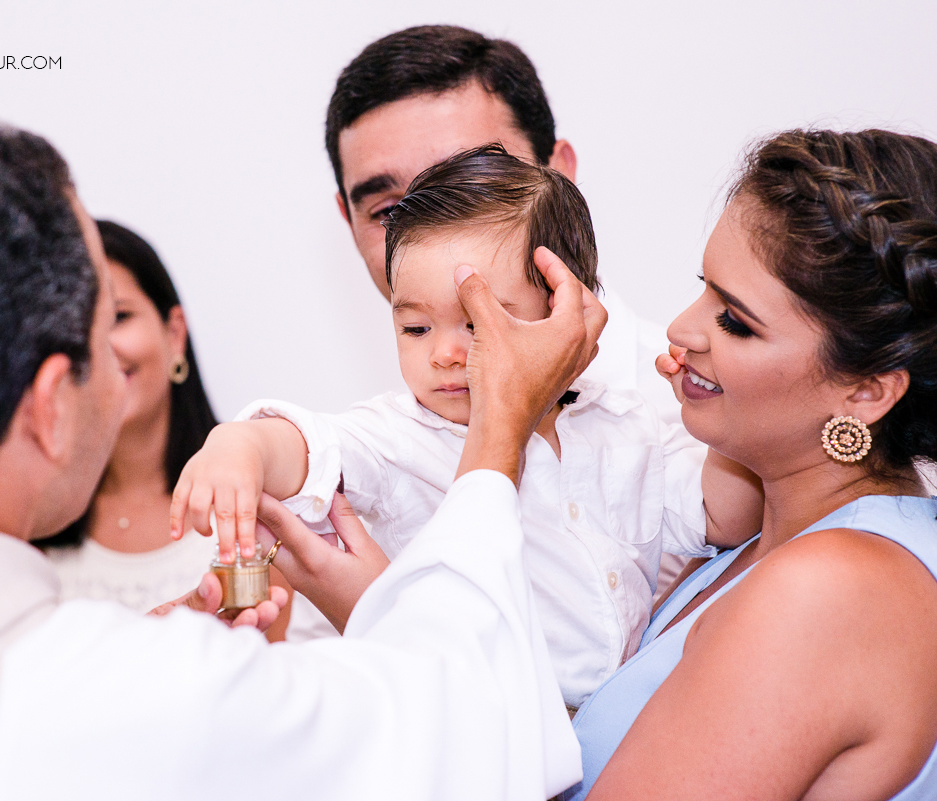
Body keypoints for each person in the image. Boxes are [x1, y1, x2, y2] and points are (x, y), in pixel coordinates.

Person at [0, 114, 598, 799]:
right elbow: (483, 737)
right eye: (104, 330)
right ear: (52, 406)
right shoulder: (144, 702)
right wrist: (500, 427)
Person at [173, 145, 760, 709]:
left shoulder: (624, 422)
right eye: (416, 329)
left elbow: (724, 517)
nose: (447, 354)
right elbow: (310, 445)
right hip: (480, 732)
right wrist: (242, 446)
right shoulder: (402, 436)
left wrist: (715, 397)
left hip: (617, 730)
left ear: (567, 312)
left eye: (477, 322)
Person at [561, 129, 937, 799]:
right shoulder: (759, 534)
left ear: (866, 391)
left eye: (736, 321)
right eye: (704, 290)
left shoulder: (831, 590)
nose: (683, 330)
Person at [285, 24, 712, 641]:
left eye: (472, 185)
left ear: (559, 177)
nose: (428, 232)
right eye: (387, 211)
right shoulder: (365, 455)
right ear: (348, 220)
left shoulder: (699, 414)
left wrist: (392, 626)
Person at [34, 220, 221, 611]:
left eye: (118, 317)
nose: (99, 348)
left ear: (174, 334)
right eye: (78, 327)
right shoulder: (33, 512)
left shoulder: (244, 499)